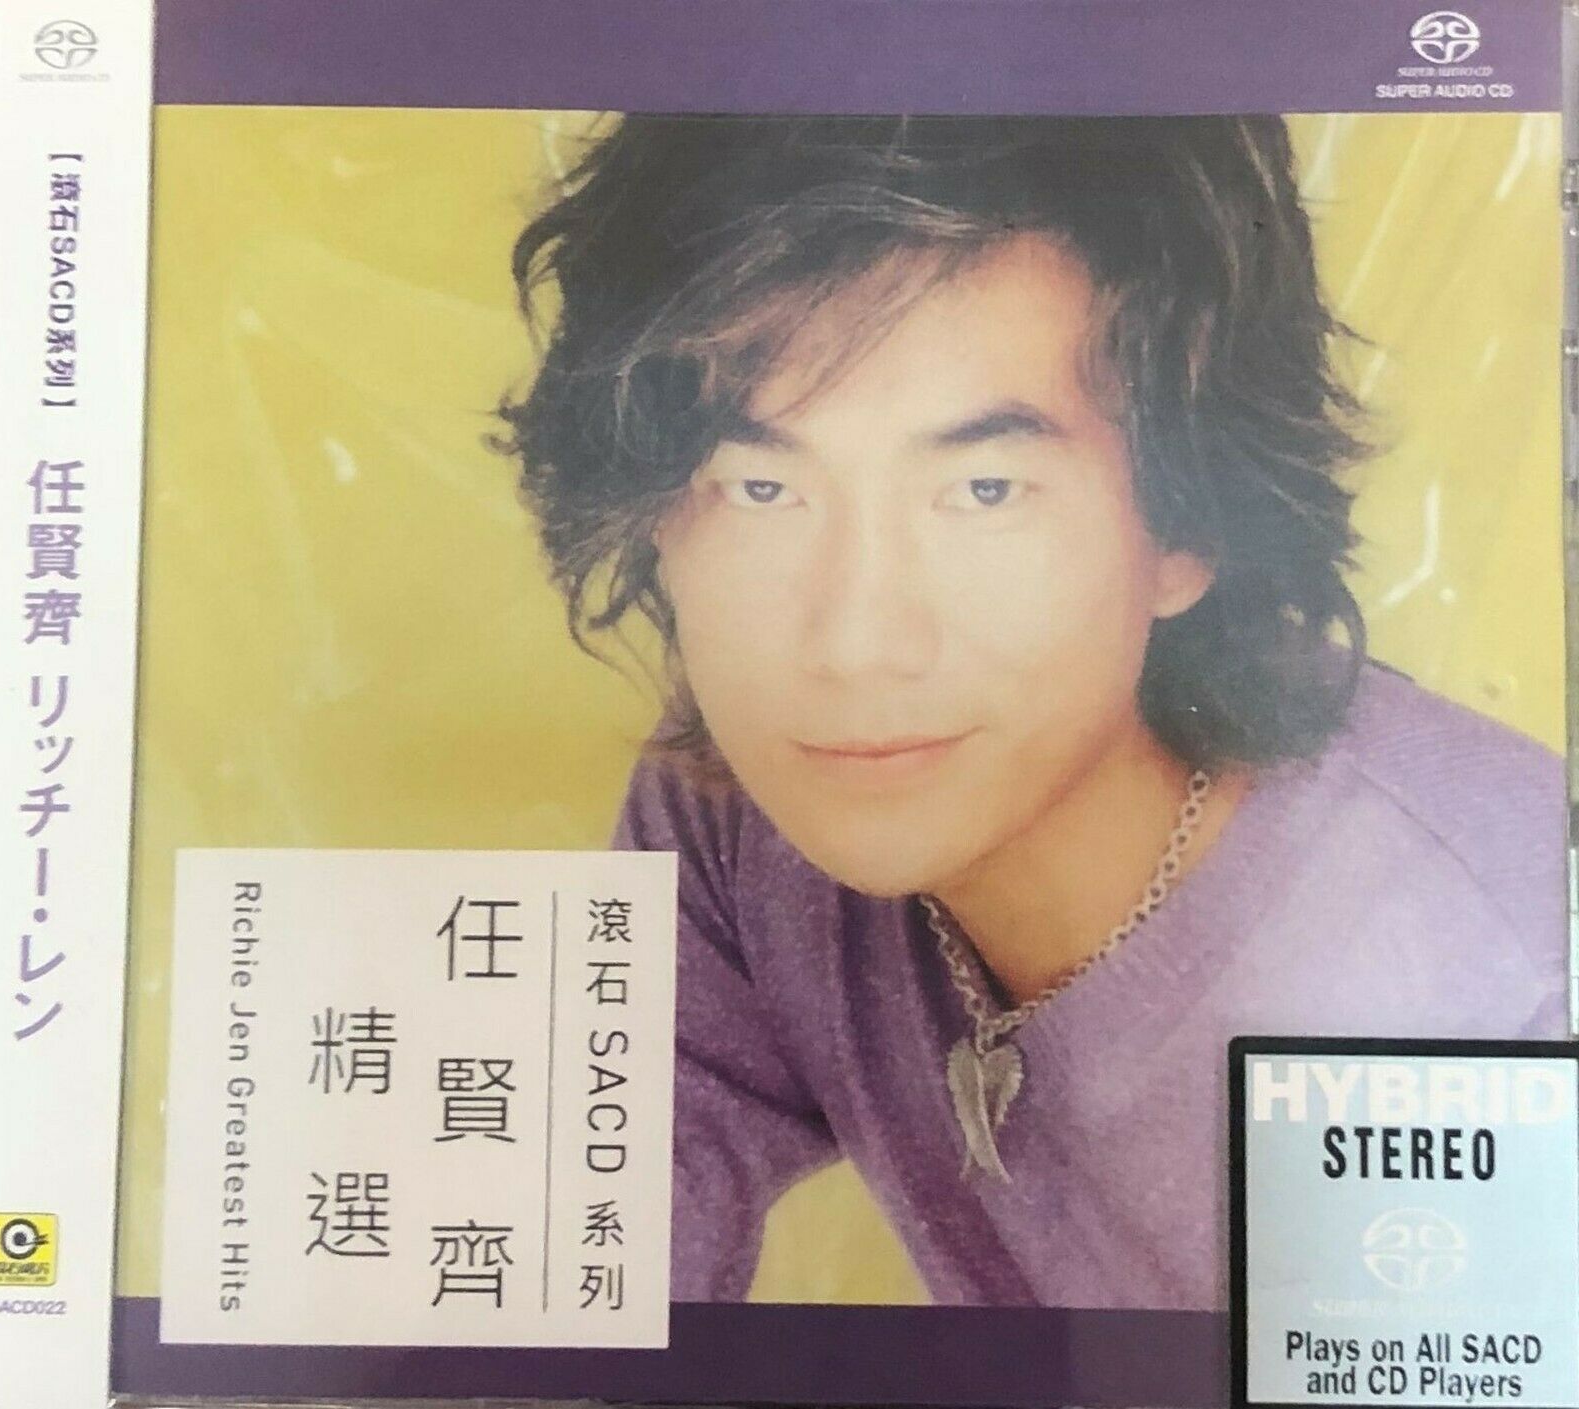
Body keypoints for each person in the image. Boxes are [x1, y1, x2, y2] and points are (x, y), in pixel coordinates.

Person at [497, 115, 1567, 1308]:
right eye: (759, 487)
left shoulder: (1490, 988)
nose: (853, 645)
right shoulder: (740, 807)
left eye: (984, 488)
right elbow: (553, 1264)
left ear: (1187, 524)